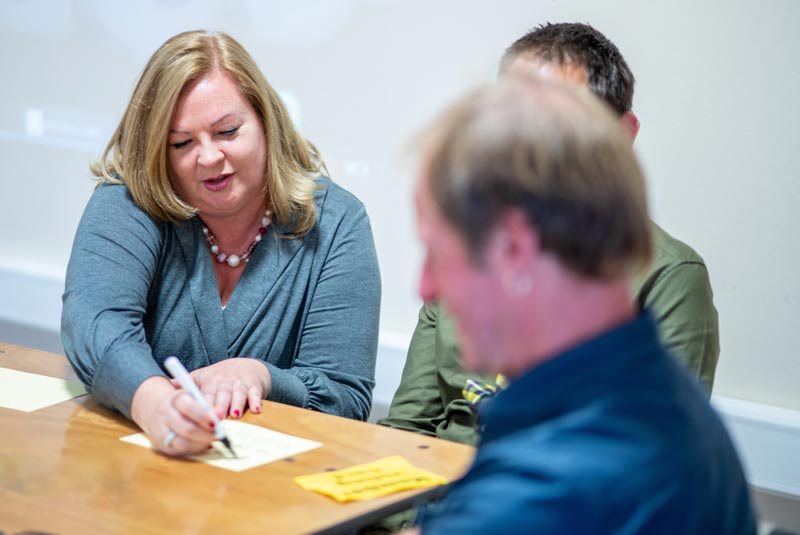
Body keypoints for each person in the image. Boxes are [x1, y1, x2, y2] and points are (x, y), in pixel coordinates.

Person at [404, 75, 754, 534]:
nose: (425, 288)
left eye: (439, 254)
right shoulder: (669, 402)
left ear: (515, 249)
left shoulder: (546, 490)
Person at [380, 22, 719, 448]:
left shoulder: (667, 276)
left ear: (621, 135)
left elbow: (641, 463)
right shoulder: (470, 255)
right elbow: (404, 432)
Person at [61, 30, 381, 456]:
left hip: (277, 493)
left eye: (227, 132)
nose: (209, 157)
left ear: (267, 123)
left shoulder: (337, 220)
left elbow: (345, 397)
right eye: (182, 143)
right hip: (138, 467)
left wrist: (262, 376)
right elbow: (96, 327)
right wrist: (158, 406)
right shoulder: (129, 199)